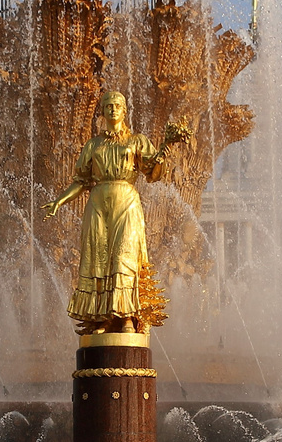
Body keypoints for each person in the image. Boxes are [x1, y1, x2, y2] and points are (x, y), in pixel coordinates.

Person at [44, 90, 186, 334]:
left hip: (126, 202)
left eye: (116, 106)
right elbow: (81, 180)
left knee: (124, 258)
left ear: (124, 110)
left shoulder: (137, 141)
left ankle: (128, 318)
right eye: (107, 106)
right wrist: (59, 201)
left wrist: (163, 152)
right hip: (98, 204)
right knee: (97, 260)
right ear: (102, 111)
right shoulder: (93, 145)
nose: (112, 110)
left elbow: (151, 172)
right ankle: (102, 319)